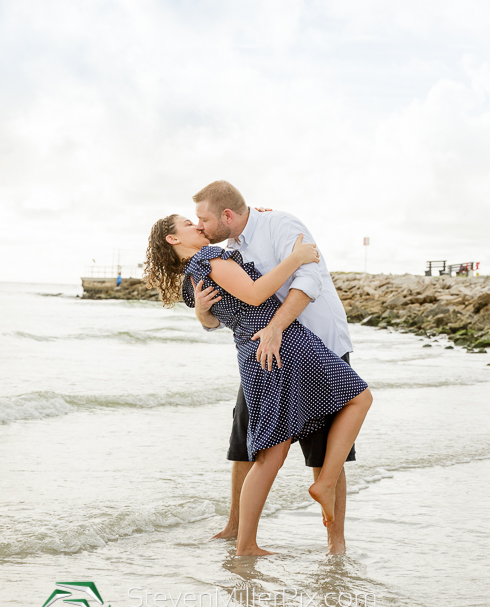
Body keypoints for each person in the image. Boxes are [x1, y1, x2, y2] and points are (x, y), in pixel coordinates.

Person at [144, 211, 372, 556]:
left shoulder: (191, 279)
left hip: (256, 352)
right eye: (189, 223)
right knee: (360, 399)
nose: (198, 225)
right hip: (282, 342)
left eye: (200, 218)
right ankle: (318, 489)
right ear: (173, 239)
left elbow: (223, 311)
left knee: (272, 454)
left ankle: (247, 543)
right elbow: (253, 294)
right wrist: (296, 257)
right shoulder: (209, 257)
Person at [191, 181, 361, 554]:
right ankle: (235, 529)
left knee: (324, 452)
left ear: (228, 215)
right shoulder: (226, 252)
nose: (199, 226)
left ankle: (336, 544)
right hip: (264, 356)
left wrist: (275, 329)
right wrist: (203, 312)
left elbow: (309, 277)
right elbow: (221, 316)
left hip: (318, 347)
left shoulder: (280, 225)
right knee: (245, 444)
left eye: (203, 219)